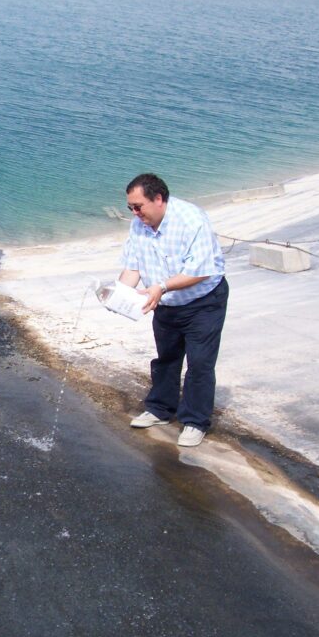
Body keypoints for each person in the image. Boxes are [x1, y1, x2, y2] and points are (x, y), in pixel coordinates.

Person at [118, 173, 227, 448]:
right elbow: (133, 266)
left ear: (158, 199)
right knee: (166, 358)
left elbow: (200, 271)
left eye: (138, 206)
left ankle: (194, 421)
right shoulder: (139, 225)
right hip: (166, 303)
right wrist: (118, 295)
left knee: (200, 362)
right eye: (130, 207)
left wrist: (161, 287)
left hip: (203, 301)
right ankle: (160, 409)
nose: (134, 212)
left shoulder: (192, 220)